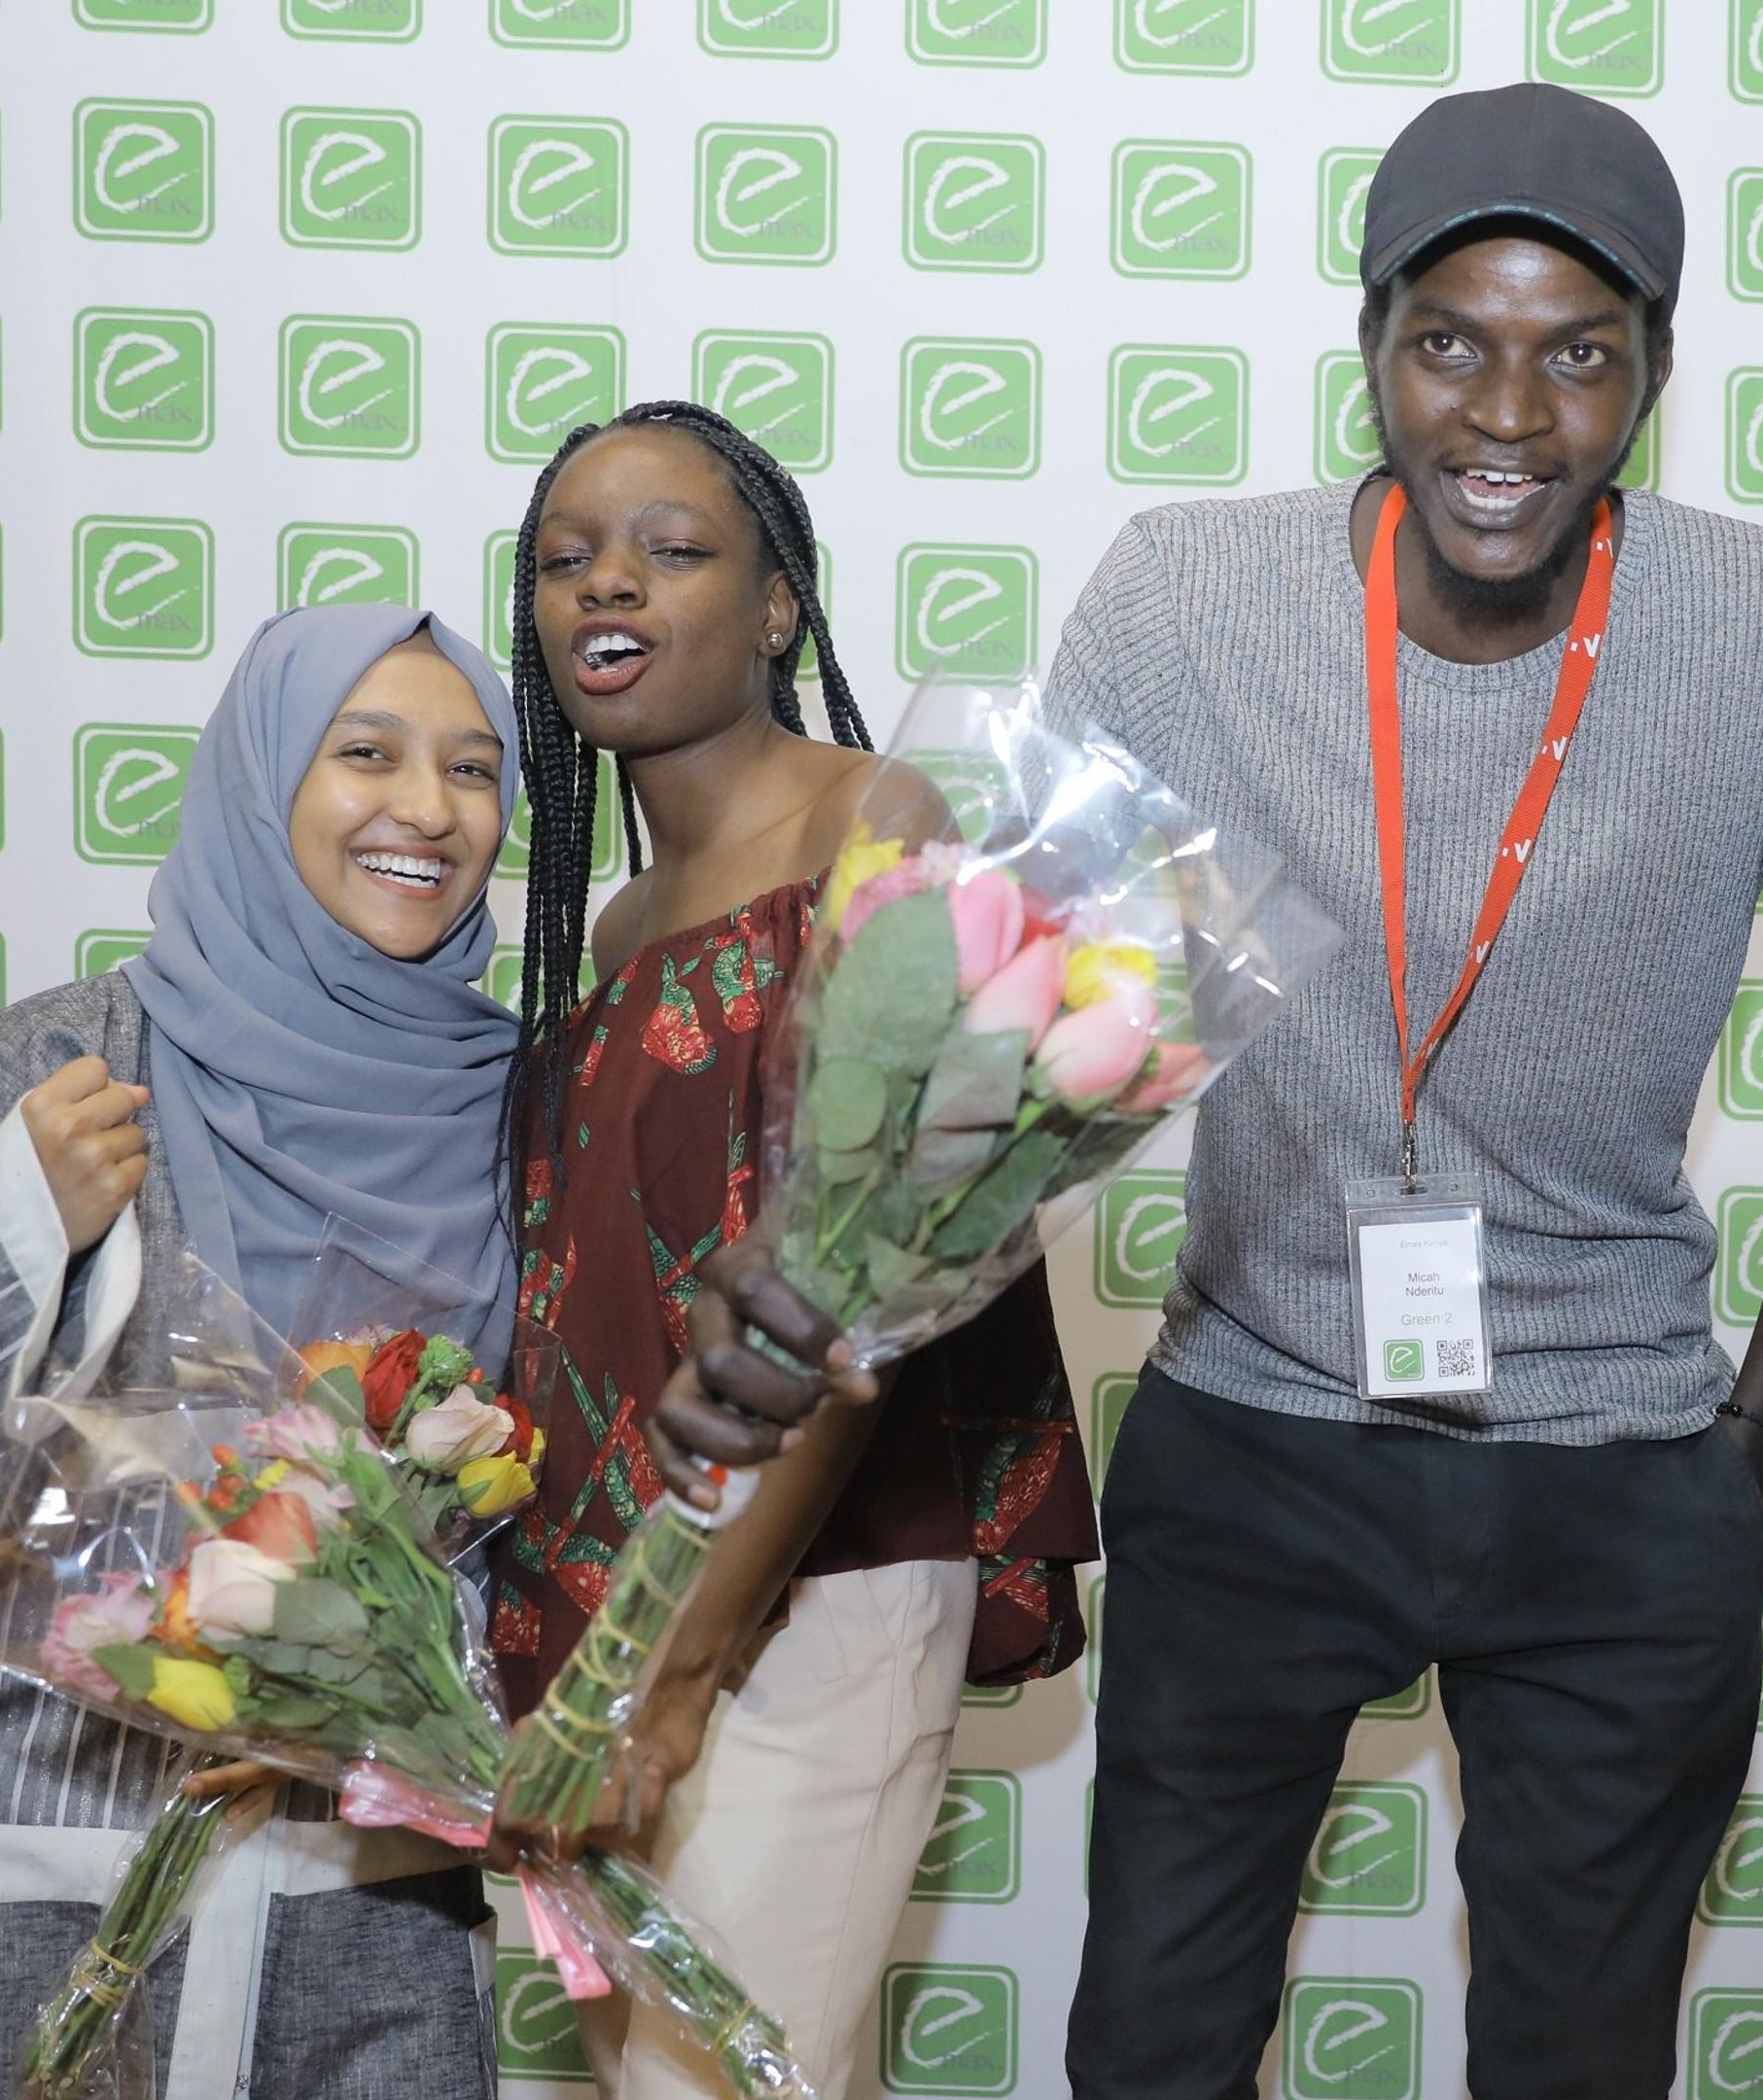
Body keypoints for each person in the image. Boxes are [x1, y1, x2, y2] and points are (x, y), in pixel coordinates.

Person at [658, 83, 1763, 2094]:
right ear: (1373, 347)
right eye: (1452, 344)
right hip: (1257, 1437)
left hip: (1620, 1468)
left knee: (1582, 2063)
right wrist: (826, 1266)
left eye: (1581, 355)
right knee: (1153, 2047)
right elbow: (1012, 991)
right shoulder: (1189, 596)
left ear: (1658, 372)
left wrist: (1744, 1438)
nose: (1511, 415)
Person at [0, 606, 522, 2098]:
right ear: (261, 779)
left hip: (363, 1900)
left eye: (472, 769)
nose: (429, 811)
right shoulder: (71, 1066)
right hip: (22, 1857)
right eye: (366, 754)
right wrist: (15, 1222)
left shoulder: (511, 1112)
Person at [487, 401, 1098, 2098]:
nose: (609, 583)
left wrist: (684, 1666)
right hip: (619, 1597)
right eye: (565, 558)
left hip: (809, 1586)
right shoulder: (614, 924)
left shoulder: (875, 819)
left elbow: (863, 1290)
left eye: (672, 550)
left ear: (776, 609)